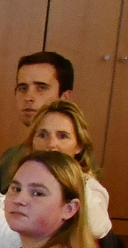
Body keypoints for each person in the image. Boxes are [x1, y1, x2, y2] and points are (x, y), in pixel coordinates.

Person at [0, 51, 75, 193]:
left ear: (64, 97)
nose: (28, 97)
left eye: (41, 88)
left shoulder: (77, 160)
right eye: (23, 88)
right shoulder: (11, 156)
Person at [26, 99, 111, 238]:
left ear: (79, 146)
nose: (51, 144)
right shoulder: (22, 180)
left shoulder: (89, 186)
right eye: (42, 135)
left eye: (62, 136)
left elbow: (97, 228)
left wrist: (75, 182)